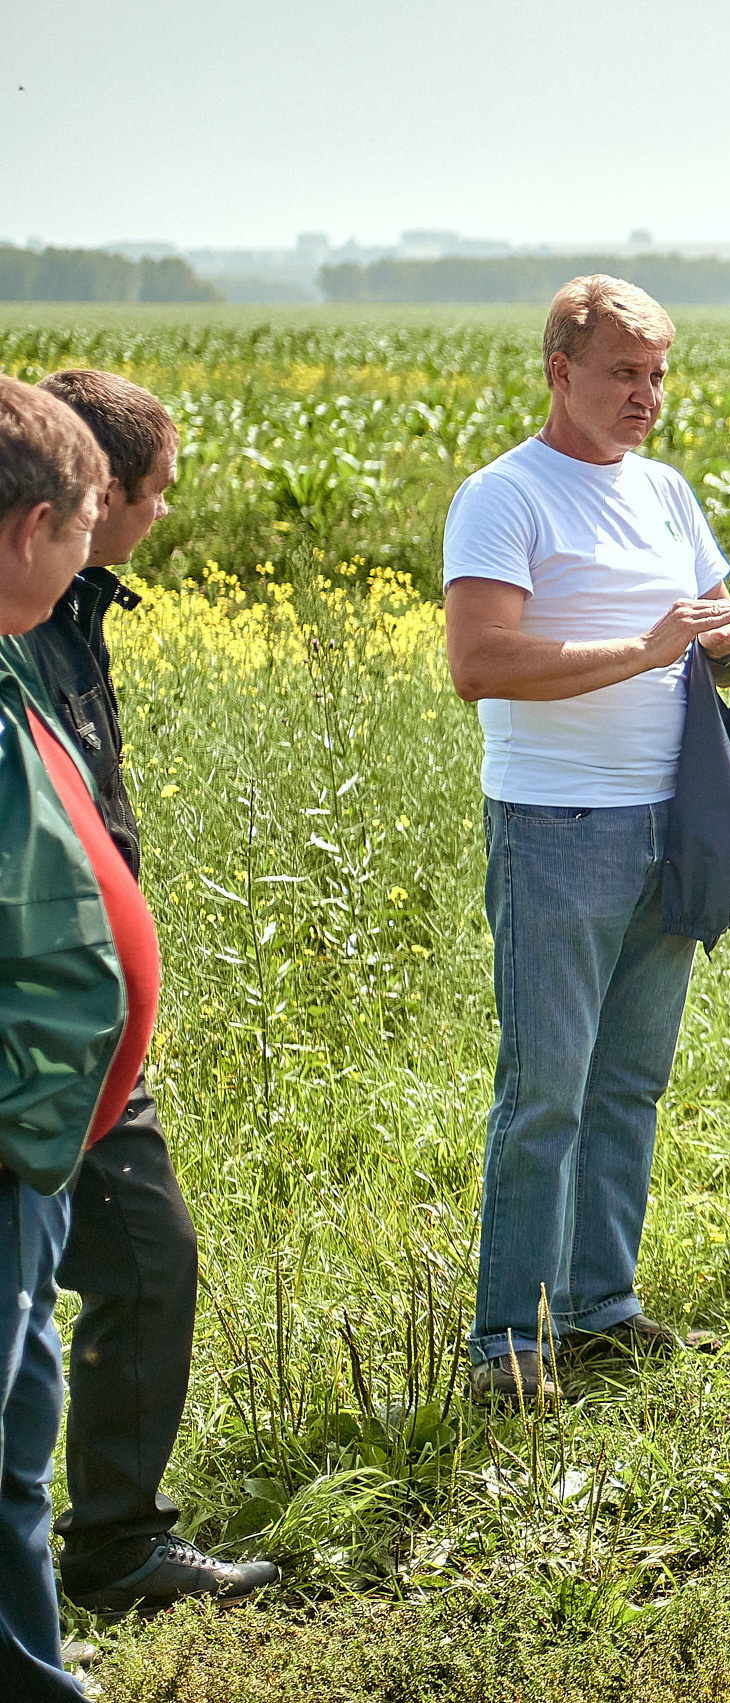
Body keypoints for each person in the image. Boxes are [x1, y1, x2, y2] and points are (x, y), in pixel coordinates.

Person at [443, 276, 730, 1407]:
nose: (646, 396)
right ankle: (505, 1340)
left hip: (672, 823)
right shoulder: (503, 497)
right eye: (622, 374)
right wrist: (647, 649)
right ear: (560, 371)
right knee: (545, 1086)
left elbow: (705, 628)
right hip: (557, 827)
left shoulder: (667, 491)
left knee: (630, 1081)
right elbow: (479, 663)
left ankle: (601, 1307)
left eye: (657, 376)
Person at [24, 371, 278, 1618]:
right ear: (93, 496)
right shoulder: (25, 619)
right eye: (154, 492)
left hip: (82, 1028)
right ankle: (106, 1550)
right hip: (39, 1038)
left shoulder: (68, 607)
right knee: (132, 1264)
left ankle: (112, 1544)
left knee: (144, 1260)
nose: (163, 513)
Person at [0, 376, 161, 1699]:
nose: (92, 542)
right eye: (83, 521)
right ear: (29, 527)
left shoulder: (20, 659)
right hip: (15, 1127)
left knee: (15, 1430)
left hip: (41, 1130)